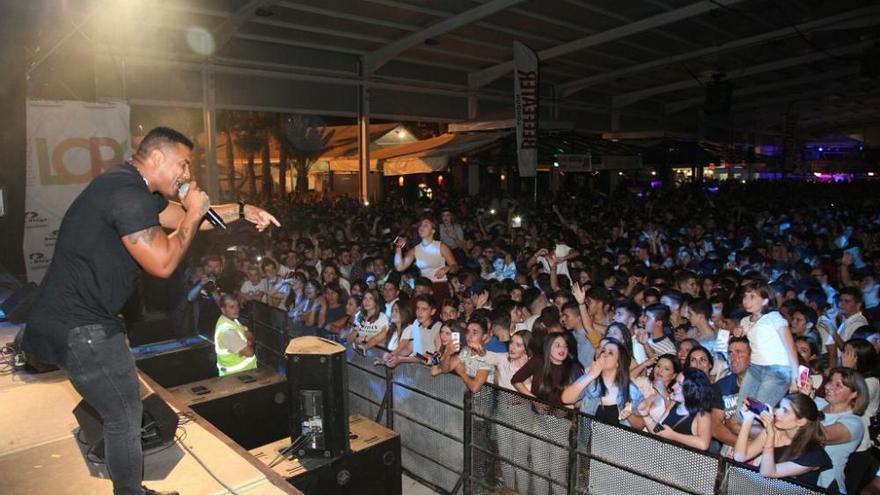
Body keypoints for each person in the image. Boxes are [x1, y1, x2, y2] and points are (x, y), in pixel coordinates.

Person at [22, 127, 278, 495]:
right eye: (183, 164)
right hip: (82, 325)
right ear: (157, 158)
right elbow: (163, 262)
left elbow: (182, 218)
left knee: (122, 413)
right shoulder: (129, 196)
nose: (187, 174)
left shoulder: (126, 186)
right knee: (124, 415)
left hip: (78, 319)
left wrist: (242, 210)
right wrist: (192, 213)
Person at [732, 393, 831, 485]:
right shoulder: (776, 430)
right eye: (779, 407)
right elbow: (740, 457)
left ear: (801, 422)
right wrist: (748, 419)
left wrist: (770, 436)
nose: (777, 412)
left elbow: (768, 473)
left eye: (785, 411)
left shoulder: (814, 455)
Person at [735, 279, 800, 413]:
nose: (746, 301)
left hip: (777, 371)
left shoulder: (774, 318)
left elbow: (791, 347)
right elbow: (741, 331)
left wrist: (795, 379)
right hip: (755, 369)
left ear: (765, 300)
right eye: (745, 297)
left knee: (758, 413)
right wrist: (737, 331)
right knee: (742, 411)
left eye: (752, 296)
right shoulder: (745, 321)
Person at [562, 338, 645, 429]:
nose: (604, 354)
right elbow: (566, 399)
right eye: (603, 351)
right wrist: (590, 375)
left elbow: (640, 425)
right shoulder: (590, 382)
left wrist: (629, 415)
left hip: (617, 441)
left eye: (610, 353)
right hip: (589, 441)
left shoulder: (630, 389)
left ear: (618, 363)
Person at [815, 367, 869, 492]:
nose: (829, 387)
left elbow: (820, 435)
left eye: (838, 385)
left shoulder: (854, 423)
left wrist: (801, 410)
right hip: (797, 475)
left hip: (824, 485)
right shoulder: (818, 403)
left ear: (854, 394)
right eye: (830, 381)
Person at [643, 368, 713, 451]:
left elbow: (703, 444)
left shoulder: (702, 415)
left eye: (679, 384)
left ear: (692, 389)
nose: (673, 386)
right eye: (676, 382)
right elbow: (659, 432)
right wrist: (645, 415)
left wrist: (673, 435)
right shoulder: (674, 404)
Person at [394, 217, 459, 303]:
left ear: (433, 230)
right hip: (423, 289)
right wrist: (398, 247)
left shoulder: (441, 246)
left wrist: (448, 268)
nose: (421, 227)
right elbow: (399, 267)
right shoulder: (415, 250)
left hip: (439, 286)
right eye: (420, 225)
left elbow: (455, 267)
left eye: (425, 225)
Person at [711, 336, 751, 454]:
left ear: (752, 357)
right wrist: (745, 445)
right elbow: (715, 427)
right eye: (730, 353)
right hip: (731, 448)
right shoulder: (721, 386)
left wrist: (735, 427)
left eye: (739, 353)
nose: (733, 358)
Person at [214, 295, 257, 376]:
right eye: (232, 307)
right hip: (235, 376)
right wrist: (248, 343)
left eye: (237, 306)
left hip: (243, 374)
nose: (236, 310)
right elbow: (250, 352)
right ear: (223, 310)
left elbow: (250, 334)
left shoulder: (232, 320)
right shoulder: (227, 331)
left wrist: (248, 343)